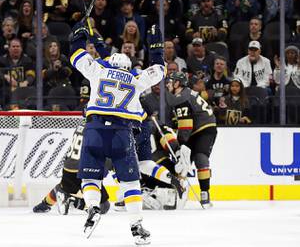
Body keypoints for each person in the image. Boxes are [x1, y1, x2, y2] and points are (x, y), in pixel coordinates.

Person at [69, 23, 166, 244]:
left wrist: (78, 36)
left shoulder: (99, 70)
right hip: (122, 133)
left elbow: (76, 56)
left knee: (90, 176)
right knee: (130, 183)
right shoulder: (135, 78)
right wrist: (157, 49)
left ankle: (93, 206)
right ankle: (136, 226)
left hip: (94, 130)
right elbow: (160, 70)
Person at [33, 121, 111, 215]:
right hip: (84, 169)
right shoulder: (101, 127)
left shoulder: (82, 124)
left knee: (64, 186)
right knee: (104, 207)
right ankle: (74, 202)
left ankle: (44, 204)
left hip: (68, 168)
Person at [166, 71, 217, 208]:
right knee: (180, 163)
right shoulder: (183, 94)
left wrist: (181, 144)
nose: (168, 84)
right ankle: (178, 193)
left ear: (178, 83)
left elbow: (186, 126)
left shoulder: (181, 97)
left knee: (200, 157)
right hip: (194, 129)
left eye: (171, 81)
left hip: (204, 128)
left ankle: (205, 193)